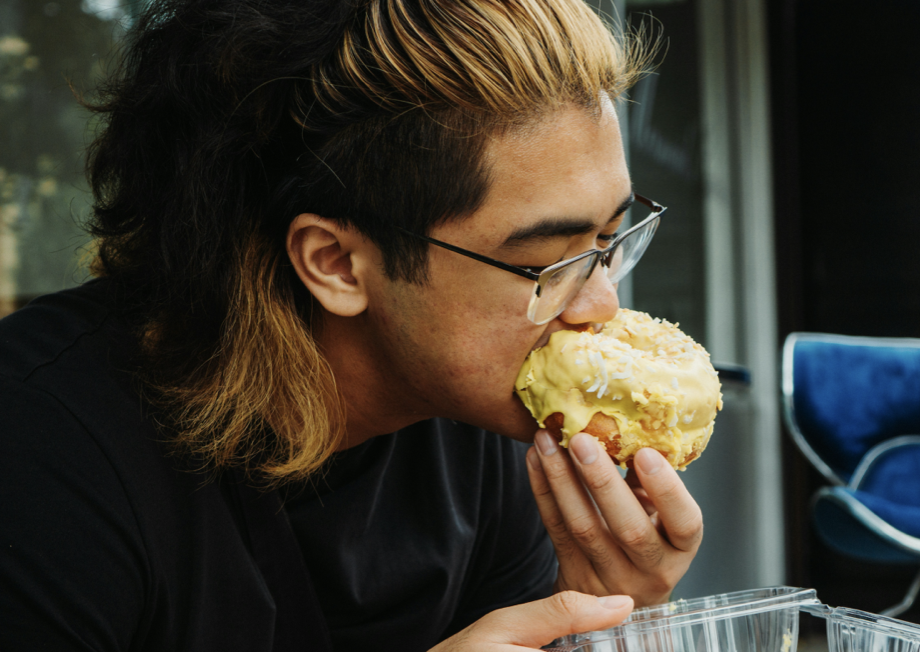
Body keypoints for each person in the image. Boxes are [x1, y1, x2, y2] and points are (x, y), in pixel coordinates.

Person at [0, 1, 703, 650]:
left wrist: (600, 624)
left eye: (609, 241)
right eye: (547, 263)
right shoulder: (43, 450)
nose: (601, 306)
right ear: (335, 264)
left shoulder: (487, 431)